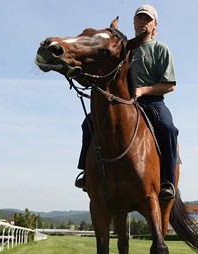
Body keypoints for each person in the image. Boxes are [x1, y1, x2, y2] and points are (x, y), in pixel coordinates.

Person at [75, 4, 179, 201]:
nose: (143, 22)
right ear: (134, 22)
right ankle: (85, 173)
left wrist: (142, 90)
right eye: (140, 18)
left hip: (150, 101)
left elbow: (169, 85)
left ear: (155, 24)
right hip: (120, 101)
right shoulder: (123, 49)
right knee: (89, 122)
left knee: (168, 128)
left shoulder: (160, 49)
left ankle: (168, 181)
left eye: (148, 19)